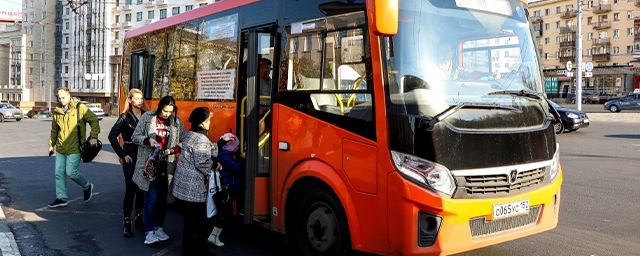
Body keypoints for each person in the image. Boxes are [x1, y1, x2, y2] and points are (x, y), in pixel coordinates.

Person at [132, 95, 186, 245]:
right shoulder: (148, 117)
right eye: (165, 110)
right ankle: (149, 231)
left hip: (166, 164)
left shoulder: (175, 121)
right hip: (150, 164)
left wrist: (173, 150)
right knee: (151, 198)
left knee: (163, 199)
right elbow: (135, 136)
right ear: (160, 106)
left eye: (170, 111)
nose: (167, 114)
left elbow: (185, 140)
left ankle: (159, 228)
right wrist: (147, 140)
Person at [172, 107, 219, 256]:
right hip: (194, 186)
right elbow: (202, 162)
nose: (210, 123)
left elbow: (205, 150)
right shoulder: (202, 138)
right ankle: (196, 249)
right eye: (209, 120)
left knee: (191, 220)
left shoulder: (191, 133)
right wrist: (215, 165)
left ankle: (190, 248)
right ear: (204, 122)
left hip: (184, 184)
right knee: (198, 221)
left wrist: (221, 144)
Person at [47, 87, 100, 208]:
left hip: (75, 147)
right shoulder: (57, 111)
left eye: (63, 97)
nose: (61, 100)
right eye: (59, 98)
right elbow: (55, 130)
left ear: (69, 95)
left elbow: (94, 120)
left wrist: (93, 136)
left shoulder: (79, 108)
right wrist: (51, 145)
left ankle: (87, 186)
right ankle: (61, 197)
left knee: (71, 172)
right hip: (61, 147)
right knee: (59, 173)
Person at [108, 88, 149, 237]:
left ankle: (139, 219)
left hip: (143, 158)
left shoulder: (146, 116)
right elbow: (112, 136)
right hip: (130, 158)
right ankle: (127, 223)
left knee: (141, 191)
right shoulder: (124, 117)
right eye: (137, 98)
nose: (140, 101)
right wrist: (122, 154)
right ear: (130, 100)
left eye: (141, 98)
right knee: (130, 191)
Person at [207, 133, 245, 247]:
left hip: (224, 187)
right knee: (225, 214)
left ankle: (213, 236)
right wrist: (248, 159)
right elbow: (236, 167)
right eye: (236, 146)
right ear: (231, 146)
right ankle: (213, 236)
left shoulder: (221, 153)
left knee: (223, 213)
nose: (238, 148)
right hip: (226, 188)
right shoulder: (224, 156)